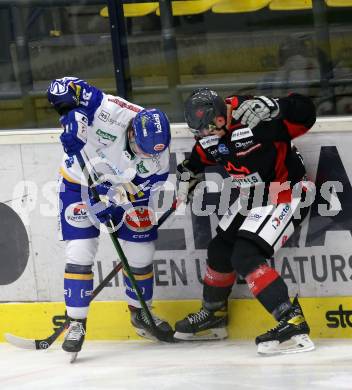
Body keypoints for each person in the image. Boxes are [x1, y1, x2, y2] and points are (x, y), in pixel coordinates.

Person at [174, 88, 317, 355]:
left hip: (287, 192)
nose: (206, 137)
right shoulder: (208, 137)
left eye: (208, 129)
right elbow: (195, 162)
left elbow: (307, 113)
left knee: (245, 255)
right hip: (251, 197)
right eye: (200, 133)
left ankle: (292, 321)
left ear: (219, 117)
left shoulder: (255, 117)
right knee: (219, 251)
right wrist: (187, 177)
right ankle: (214, 314)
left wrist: (277, 106)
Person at [47, 76, 173, 354]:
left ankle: (141, 312)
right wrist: (70, 113)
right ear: (130, 133)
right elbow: (62, 85)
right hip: (77, 182)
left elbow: (142, 186)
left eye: (151, 152)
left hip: (123, 188)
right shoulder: (109, 110)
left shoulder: (158, 155)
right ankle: (76, 321)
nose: (145, 155)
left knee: (142, 252)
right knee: (80, 252)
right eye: (140, 148)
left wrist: (110, 197)